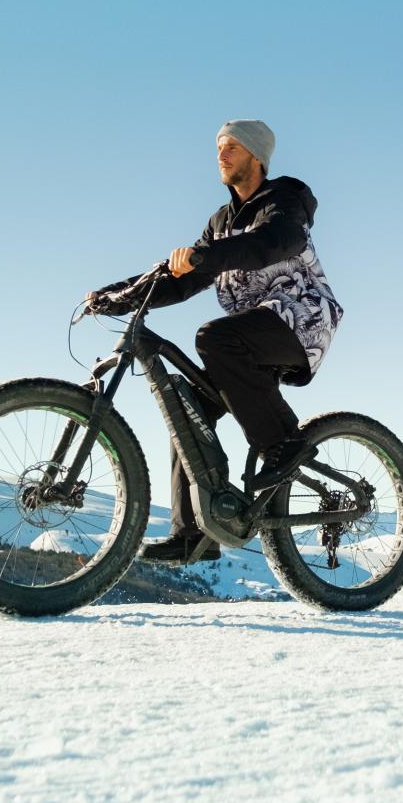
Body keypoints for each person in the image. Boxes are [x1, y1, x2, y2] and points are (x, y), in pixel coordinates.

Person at [86, 119, 343, 563]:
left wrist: (204, 257)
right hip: (251, 337)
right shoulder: (220, 222)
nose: (221, 155)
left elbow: (269, 244)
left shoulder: (284, 200)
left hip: (302, 321)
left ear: (256, 157)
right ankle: (195, 536)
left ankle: (281, 444)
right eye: (219, 147)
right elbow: (182, 280)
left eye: (232, 147)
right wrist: (115, 297)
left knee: (213, 336)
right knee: (188, 411)